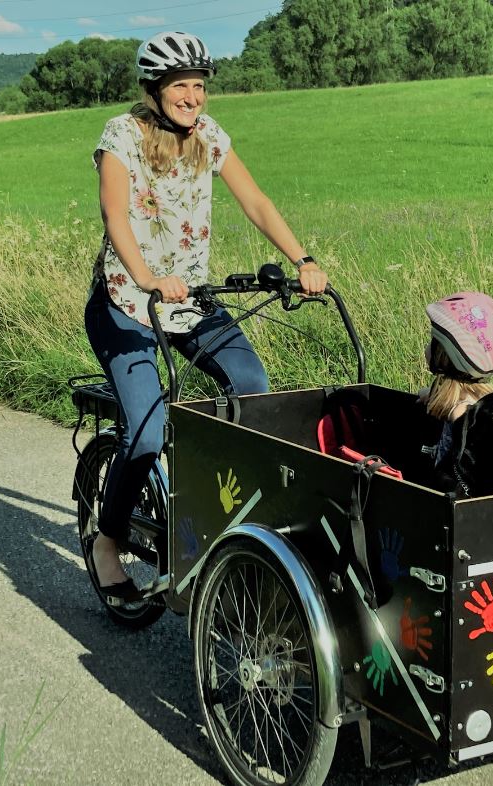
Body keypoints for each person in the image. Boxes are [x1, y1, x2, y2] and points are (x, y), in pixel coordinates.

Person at [84, 31, 327, 600]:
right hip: (128, 306)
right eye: (180, 86)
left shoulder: (209, 137)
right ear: (154, 90)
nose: (192, 97)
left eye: (198, 86)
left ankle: (228, 512)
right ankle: (108, 540)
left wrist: (304, 259)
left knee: (252, 387)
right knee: (145, 432)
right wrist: (146, 278)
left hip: (191, 301)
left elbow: (256, 201)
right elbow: (114, 214)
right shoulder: (122, 135)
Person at [419, 292, 493, 468]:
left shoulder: (460, 410)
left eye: (433, 341)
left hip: (451, 488)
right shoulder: (492, 401)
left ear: (443, 355)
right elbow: (434, 398)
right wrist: (429, 394)